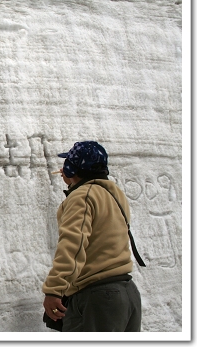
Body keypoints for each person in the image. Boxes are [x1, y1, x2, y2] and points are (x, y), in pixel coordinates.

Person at [42, 141, 144, 332]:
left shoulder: (82, 196)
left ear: (72, 169)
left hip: (98, 299)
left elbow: (73, 244)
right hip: (127, 294)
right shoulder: (114, 194)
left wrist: (54, 289)